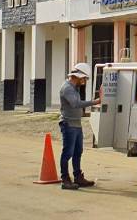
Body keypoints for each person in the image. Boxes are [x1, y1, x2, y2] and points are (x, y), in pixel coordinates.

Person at [59, 62, 101, 190]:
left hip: (76, 124)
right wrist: (96, 101)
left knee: (78, 152)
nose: (85, 81)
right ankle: (65, 179)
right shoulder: (67, 88)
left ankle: (78, 177)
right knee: (68, 152)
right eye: (84, 78)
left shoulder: (74, 88)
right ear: (77, 76)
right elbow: (76, 104)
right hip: (69, 124)